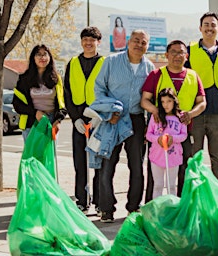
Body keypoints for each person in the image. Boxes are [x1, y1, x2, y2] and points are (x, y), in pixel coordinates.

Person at [94, 29, 155, 222]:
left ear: (147, 46)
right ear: (128, 42)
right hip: (112, 119)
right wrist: (109, 112)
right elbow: (99, 88)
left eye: (143, 42)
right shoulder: (111, 62)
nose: (139, 45)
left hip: (136, 120)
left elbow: (151, 97)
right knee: (107, 166)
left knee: (137, 167)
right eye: (136, 41)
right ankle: (106, 209)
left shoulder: (149, 68)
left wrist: (149, 124)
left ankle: (133, 207)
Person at [141, 39, 206, 197]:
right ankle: (152, 207)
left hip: (183, 134)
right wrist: (156, 111)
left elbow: (202, 102)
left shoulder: (193, 76)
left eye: (181, 53)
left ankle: (181, 207)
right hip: (159, 135)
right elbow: (144, 100)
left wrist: (190, 114)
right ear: (167, 55)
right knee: (155, 176)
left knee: (183, 172)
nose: (177, 56)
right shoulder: (156, 75)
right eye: (174, 52)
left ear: (187, 56)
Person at [185, 12, 218, 188]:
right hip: (195, 113)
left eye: (213, 25)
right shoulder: (189, 51)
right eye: (206, 24)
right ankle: (194, 194)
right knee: (194, 156)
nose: (209, 28)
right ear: (200, 28)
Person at [63, 27, 104, 214]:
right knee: (80, 163)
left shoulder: (105, 62)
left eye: (92, 40)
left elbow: (109, 91)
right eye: (85, 40)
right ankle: (81, 200)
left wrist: (100, 117)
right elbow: (67, 93)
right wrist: (75, 119)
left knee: (99, 163)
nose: (88, 43)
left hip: (98, 118)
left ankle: (99, 201)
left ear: (98, 42)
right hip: (79, 118)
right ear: (81, 42)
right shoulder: (72, 63)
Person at [13, 45, 66, 141]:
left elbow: (63, 102)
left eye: (45, 54)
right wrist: (35, 113)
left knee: (49, 155)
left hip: (51, 122)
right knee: (32, 156)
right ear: (33, 58)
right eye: (38, 54)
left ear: (50, 57)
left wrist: (58, 120)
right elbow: (17, 104)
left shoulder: (56, 79)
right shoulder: (24, 79)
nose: (42, 58)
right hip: (31, 122)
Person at [146, 88, 187, 198]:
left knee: (172, 185)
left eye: (169, 101)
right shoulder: (156, 116)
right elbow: (148, 134)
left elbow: (184, 135)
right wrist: (158, 139)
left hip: (173, 156)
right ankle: (157, 210)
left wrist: (172, 138)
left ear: (174, 101)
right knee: (158, 185)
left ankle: (171, 209)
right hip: (157, 156)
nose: (166, 105)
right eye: (163, 102)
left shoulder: (180, 116)